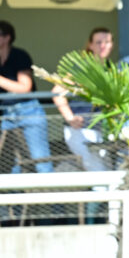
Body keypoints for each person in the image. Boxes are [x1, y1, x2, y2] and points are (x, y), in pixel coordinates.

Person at [53, 27, 115, 172]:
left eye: (106, 42)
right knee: (98, 173)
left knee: (109, 171)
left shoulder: (109, 68)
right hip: (80, 130)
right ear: (91, 45)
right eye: (98, 42)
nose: (103, 46)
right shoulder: (82, 67)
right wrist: (70, 118)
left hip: (102, 130)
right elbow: (57, 92)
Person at [0, 20, 53, 174]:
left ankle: (51, 197)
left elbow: (25, 87)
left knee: (41, 159)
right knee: (11, 163)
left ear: (7, 37)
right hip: (5, 116)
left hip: (29, 112)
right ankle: (14, 197)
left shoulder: (19, 55)